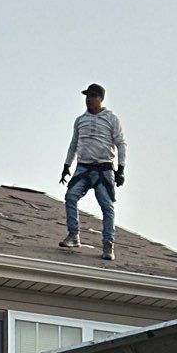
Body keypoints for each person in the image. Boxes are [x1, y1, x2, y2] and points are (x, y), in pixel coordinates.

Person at [59, 83, 126, 261]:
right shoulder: (81, 120)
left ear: (101, 99)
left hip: (104, 168)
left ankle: (108, 244)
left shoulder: (111, 119)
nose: (89, 99)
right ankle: (73, 235)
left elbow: (120, 143)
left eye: (93, 96)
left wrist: (121, 169)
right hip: (83, 167)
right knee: (71, 196)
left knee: (107, 206)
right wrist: (67, 165)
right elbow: (74, 143)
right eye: (87, 96)